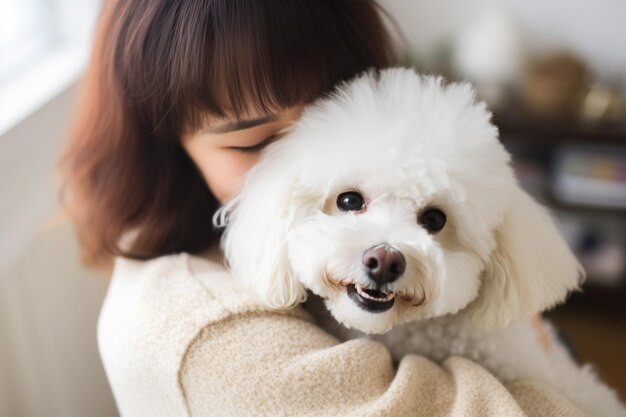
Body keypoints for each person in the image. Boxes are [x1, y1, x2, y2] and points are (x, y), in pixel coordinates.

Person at [58, 1, 585, 416]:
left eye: (335, 112)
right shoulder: (213, 338)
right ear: (164, 147)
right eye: (256, 141)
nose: (301, 162)